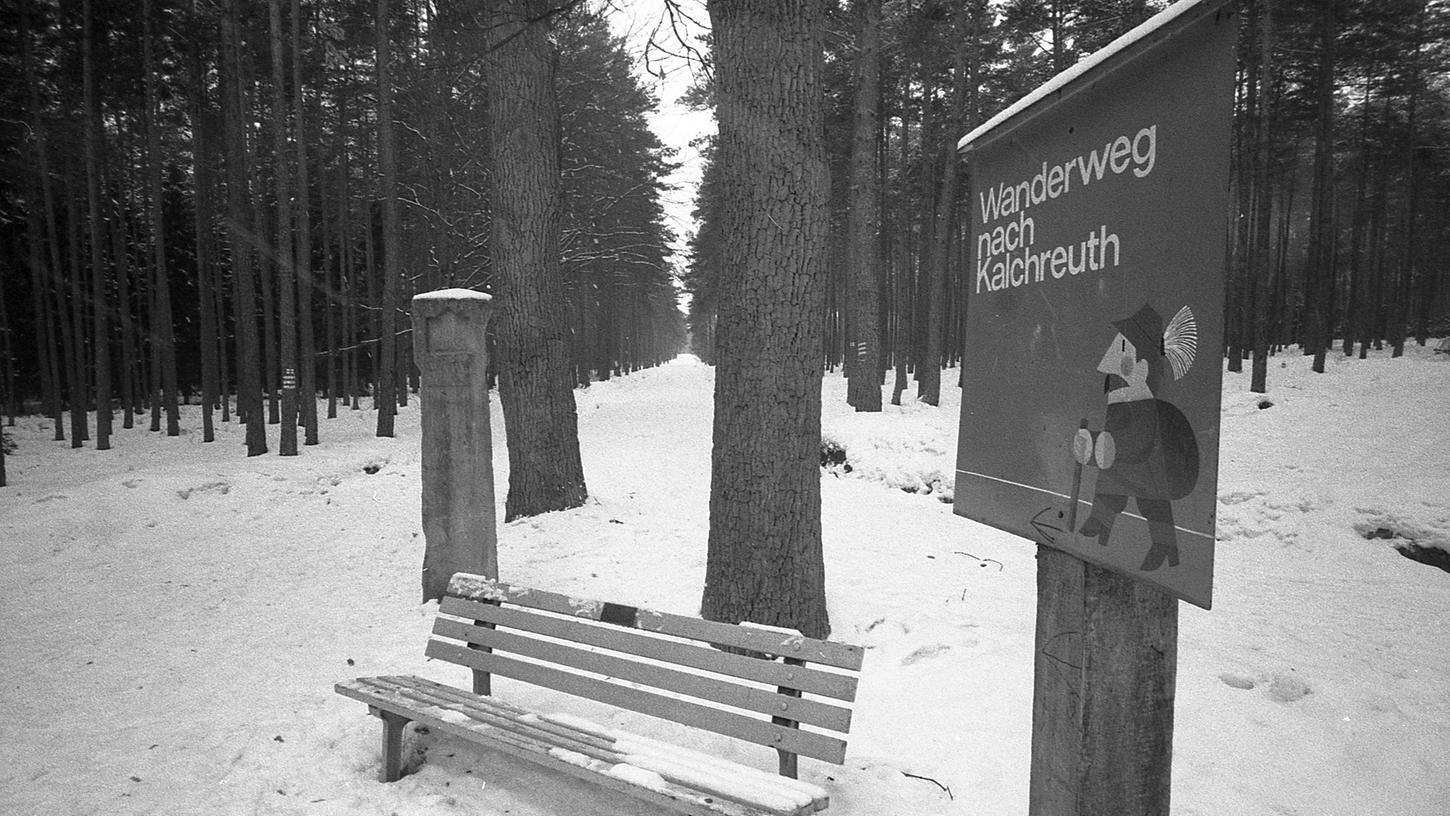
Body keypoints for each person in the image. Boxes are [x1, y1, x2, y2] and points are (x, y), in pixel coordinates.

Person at [1074, 303, 1199, 572]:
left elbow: (1136, 440)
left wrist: (1102, 445)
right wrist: (1094, 441)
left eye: (1121, 359)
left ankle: (1165, 547)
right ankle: (1099, 526)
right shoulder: (1119, 400)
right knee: (1108, 490)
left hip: (1146, 468)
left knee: (1152, 504)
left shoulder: (1142, 403)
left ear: (1141, 367)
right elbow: (1117, 435)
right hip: (1124, 466)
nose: (1109, 367)